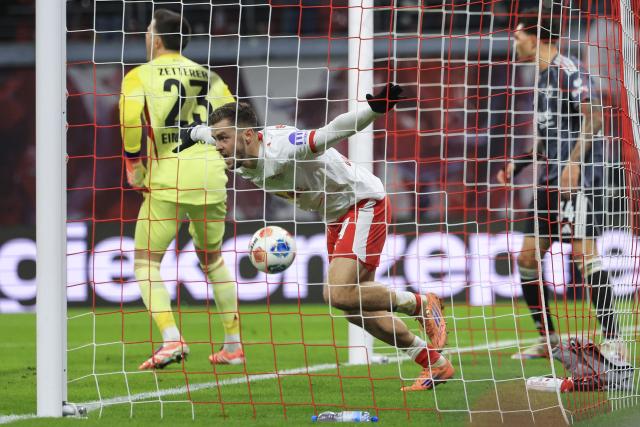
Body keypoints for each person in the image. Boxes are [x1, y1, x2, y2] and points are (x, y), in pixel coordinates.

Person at [175, 84, 454, 391]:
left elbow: (332, 132)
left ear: (249, 135)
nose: (218, 146)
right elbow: (202, 132)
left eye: (223, 138)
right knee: (354, 310)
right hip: (335, 216)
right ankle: (434, 363)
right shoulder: (235, 153)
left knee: (336, 294)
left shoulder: (282, 146)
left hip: (361, 202)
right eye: (216, 139)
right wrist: (190, 134)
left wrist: (372, 111)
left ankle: (420, 304)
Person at [119, 8, 243, 370]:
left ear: (156, 39)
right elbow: (235, 122)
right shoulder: (211, 77)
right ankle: (233, 345)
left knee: (145, 262)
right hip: (211, 177)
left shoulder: (139, 75)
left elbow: (129, 118)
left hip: (168, 179)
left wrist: (133, 164)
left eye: (147, 33)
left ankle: (172, 338)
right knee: (213, 259)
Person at [498, 7, 623, 360]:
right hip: (549, 180)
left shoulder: (567, 70)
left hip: (577, 178)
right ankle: (548, 338)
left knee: (584, 255)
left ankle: (613, 339)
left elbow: (595, 117)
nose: (515, 42)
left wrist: (572, 163)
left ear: (535, 37)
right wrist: (520, 162)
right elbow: (547, 138)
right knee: (527, 257)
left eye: (518, 35)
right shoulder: (540, 79)